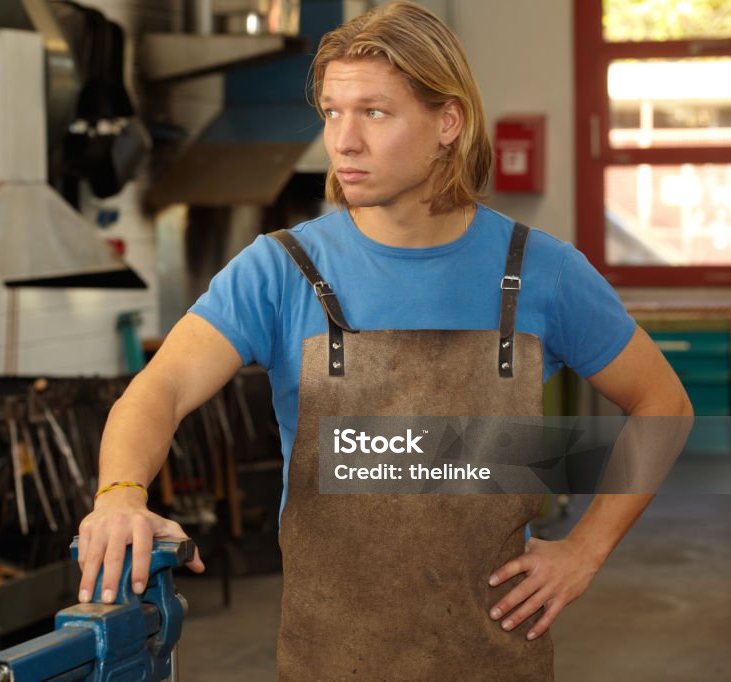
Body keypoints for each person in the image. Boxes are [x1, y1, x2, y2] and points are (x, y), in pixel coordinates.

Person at [76, 2, 692, 679]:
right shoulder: (280, 270)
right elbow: (158, 389)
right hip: (330, 658)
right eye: (333, 111)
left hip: (493, 657)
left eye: (374, 112)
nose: (343, 141)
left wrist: (584, 551)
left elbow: (663, 404)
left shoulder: (538, 271)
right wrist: (120, 495)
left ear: (446, 124)